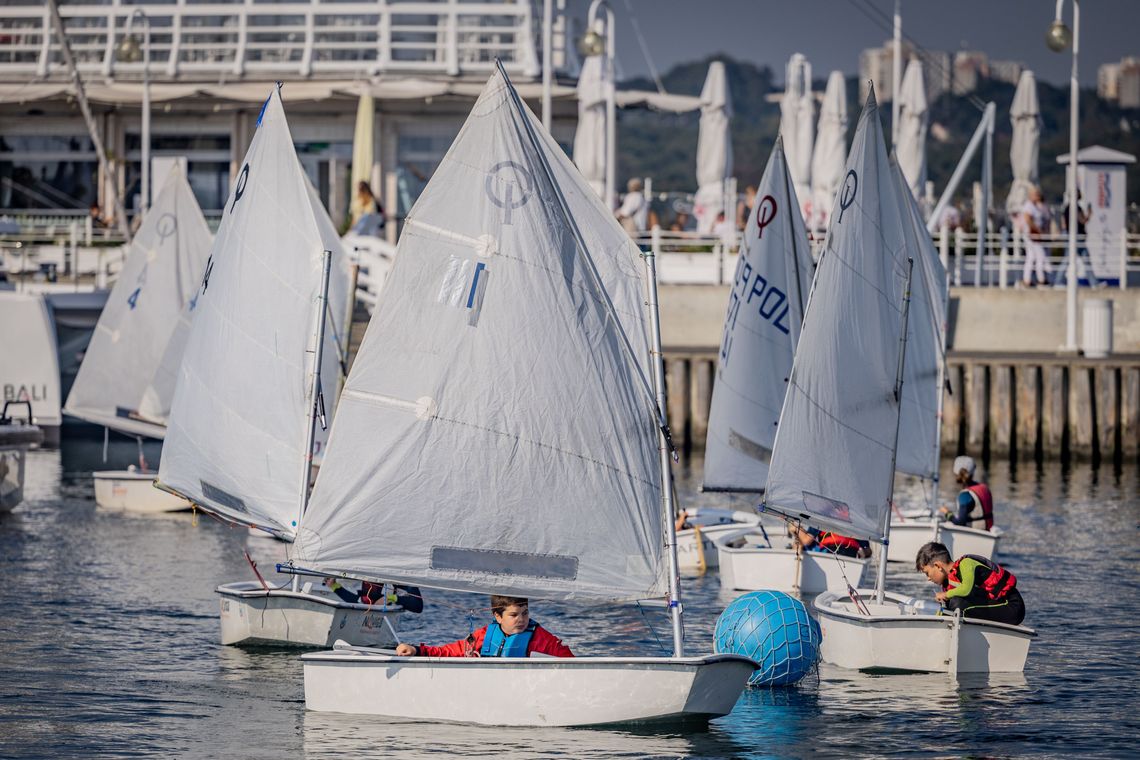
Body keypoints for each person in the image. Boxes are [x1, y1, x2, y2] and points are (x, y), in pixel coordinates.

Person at [395, 595, 573, 658]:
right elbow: (450, 651)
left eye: (525, 613)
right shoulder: (484, 635)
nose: (522, 619)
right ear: (498, 616)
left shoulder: (542, 639)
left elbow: (571, 664)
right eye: (514, 615)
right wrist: (416, 650)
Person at [915, 541, 1025, 625]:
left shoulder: (966, 564)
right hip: (996, 605)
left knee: (957, 603)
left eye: (927, 573)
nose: (928, 578)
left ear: (938, 566)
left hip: (1012, 606)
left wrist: (945, 595)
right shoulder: (949, 582)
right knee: (951, 603)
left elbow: (966, 589)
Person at [1055, 190, 1102, 288]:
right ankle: (1058, 282)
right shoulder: (1074, 207)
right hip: (1076, 238)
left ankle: (1094, 283)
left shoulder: (1068, 207)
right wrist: (1089, 214)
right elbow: (1083, 220)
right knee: (1069, 260)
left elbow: (1064, 223)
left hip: (1074, 237)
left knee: (1082, 260)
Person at [938, 455, 994, 530]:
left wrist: (947, 513)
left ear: (955, 472)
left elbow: (960, 522)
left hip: (975, 535)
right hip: (988, 531)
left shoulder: (965, 495)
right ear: (973, 471)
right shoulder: (984, 488)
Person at [324, 578, 424, 614]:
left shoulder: (396, 578)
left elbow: (418, 606)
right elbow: (357, 601)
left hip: (386, 612)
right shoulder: (359, 576)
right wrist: (334, 586)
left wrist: (389, 598)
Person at [1017, 186, 1050, 288]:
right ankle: (1041, 280)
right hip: (1032, 235)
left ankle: (1027, 280)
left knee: (1031, 258)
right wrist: (1037, 230)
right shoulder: (1029, 206)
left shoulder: (1036, 206)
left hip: (1034, 235)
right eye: (1036, 194)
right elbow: (1028, 219)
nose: (1038, 196)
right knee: (1040, 256)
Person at [793, 525, 871, 559]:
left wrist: (795, 528)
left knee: (798, 544)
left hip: (829, 554)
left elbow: (806, 540)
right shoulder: (854, 521)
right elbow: (868, 550)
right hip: (851, 555)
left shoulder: (820, 517)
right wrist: (862, 553)